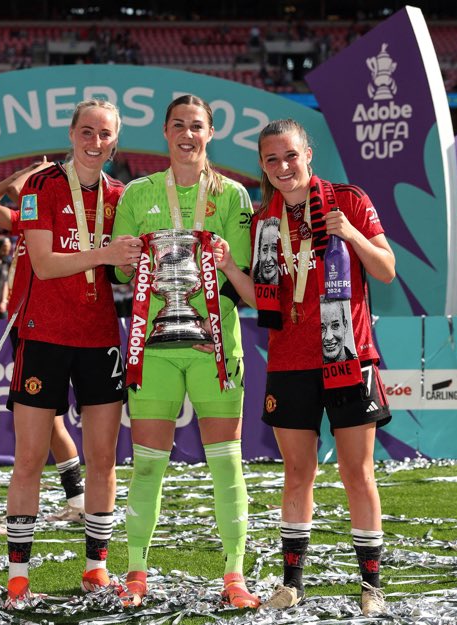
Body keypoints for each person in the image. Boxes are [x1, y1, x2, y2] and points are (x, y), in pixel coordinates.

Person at [213, 118, 395, 617]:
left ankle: (371, 586)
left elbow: (386, 267)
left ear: (307, 154)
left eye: (290, 155)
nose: (282, 166)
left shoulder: (348, 200)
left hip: (347, 355)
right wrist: (231, 267)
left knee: (358, 473)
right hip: (290, 362)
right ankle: (292, 584)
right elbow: (260, 302)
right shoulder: (262, 222)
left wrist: (351, 233)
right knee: (298, 474)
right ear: (263, 167)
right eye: (271, 160)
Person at [112, 94, 259, 609]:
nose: (187, 134)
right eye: (178, 125)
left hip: (216, 346)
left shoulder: (235, 196)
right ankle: (135, 572)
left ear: (210, 133)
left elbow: (245, 279)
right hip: (153, 348)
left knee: (227, 464)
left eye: (197, 126)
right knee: (147, 465)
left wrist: (222, 258)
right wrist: (127, 256)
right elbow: (121, 272)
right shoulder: (137, 193)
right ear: (165, 133)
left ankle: (234, 576)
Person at [4, 99, 142, 607]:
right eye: (87, 131)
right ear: (71, 133)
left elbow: (127, 272)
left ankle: (96, 569)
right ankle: (19, 575)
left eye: (105, 134)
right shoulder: (41, 186)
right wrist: (106, 253)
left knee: (103, 459)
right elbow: (41, 263)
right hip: (43, 336)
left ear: (114, 141)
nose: (95, 142)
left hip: (100, 336)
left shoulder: (122, 195)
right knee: (30, 459)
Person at [0, 159, 86, 522]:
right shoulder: (25, 220)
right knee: (49, 420)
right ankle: (78, 499)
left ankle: (41, 509)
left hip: (38, 326)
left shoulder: (55, 220)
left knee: (42, 421)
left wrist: (29, 177)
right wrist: (15, 177)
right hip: (22, 324)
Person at [320, 299, 357, 363]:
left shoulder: (361, 364)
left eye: (335, 326)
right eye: (321, 328)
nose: (329, 337)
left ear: (345, 325)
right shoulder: (306, 367)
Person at [252, 217, 280, 285]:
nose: (268, 259)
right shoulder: (250, 282)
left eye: (274, 248)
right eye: (264, 249)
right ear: (258, 253)